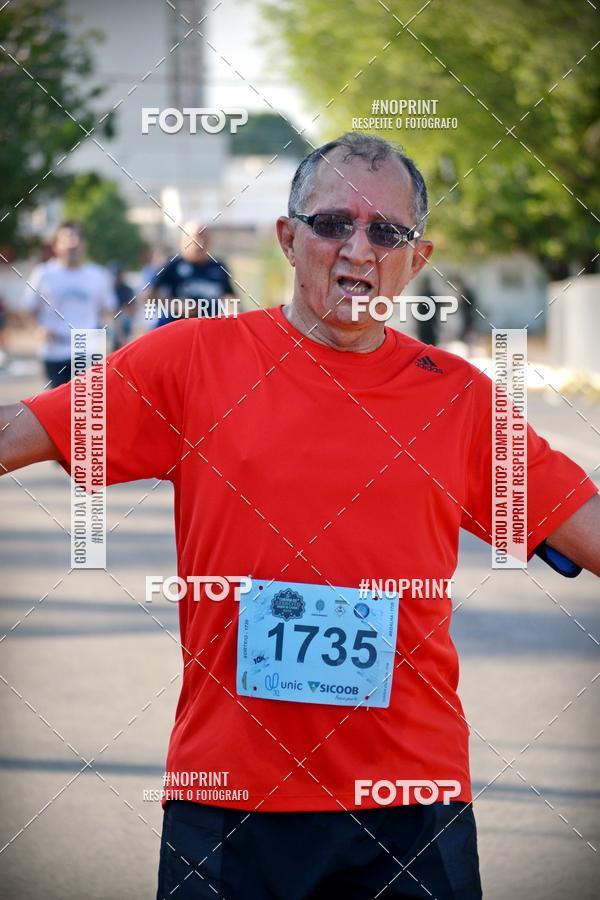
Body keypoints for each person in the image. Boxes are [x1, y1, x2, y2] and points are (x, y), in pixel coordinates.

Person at [1, 133, 599, 899]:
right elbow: (22, 432)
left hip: (411, 802)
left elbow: (583, 522)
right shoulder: (190, 362)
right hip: (229, 799)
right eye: (332, 223)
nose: (359, 248)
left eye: (387, 231)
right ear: (289, 237)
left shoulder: (459, 401)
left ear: (417, 259)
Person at [22, 221, 117, 387]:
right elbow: (27, 310)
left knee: (87, 409)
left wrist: (113, 339)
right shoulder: (43, 274)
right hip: (55, 351)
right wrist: (37, 329)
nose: (73, 243)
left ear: (84, 244)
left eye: (77, 238)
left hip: (89, 349)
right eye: (66, 239)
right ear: (56, 245)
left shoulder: (98, 274)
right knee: (57, 409)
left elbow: (109, 311)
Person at [149, 220, 236, 326]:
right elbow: (149, 296)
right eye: (196, 237)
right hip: (178, 327)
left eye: (204, 237)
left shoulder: (218, 267)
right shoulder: (173, 265)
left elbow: (230, 296)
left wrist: (232, 313)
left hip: (210, 328)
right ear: (184, 241)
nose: (200, 242)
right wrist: (175, 305)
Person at [110, 263, 136, 350]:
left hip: (123, 320)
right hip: (111, 321)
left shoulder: (127, 290)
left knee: (123, 319)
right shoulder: (107, 290)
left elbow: (131, 310)